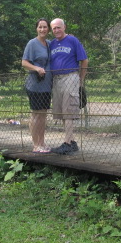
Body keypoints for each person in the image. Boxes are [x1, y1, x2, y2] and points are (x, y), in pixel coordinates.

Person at [49, 18, 88, 155]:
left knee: (69, 111)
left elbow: (84, 60)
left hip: (70, 77)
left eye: (58, 27)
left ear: (64, 27)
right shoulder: (52, 44)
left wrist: (80, 80)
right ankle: (71, 142)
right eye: (53, 28)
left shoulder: (72, 40)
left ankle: (67, 143)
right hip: (57, 79)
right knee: (61, 113)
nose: (56, 30)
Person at [21, 18, 53, 153]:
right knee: (36, 114)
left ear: (48, 29)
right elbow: (24, 62)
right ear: (36, 29)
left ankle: (42, 143)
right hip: (35, 85)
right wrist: (36, 68)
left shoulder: (50, 44)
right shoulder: (32, 44)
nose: (42, 29)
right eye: (40, 27)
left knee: (43, 115)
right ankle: (36, 145)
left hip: (47, 85)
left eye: (45, 27)